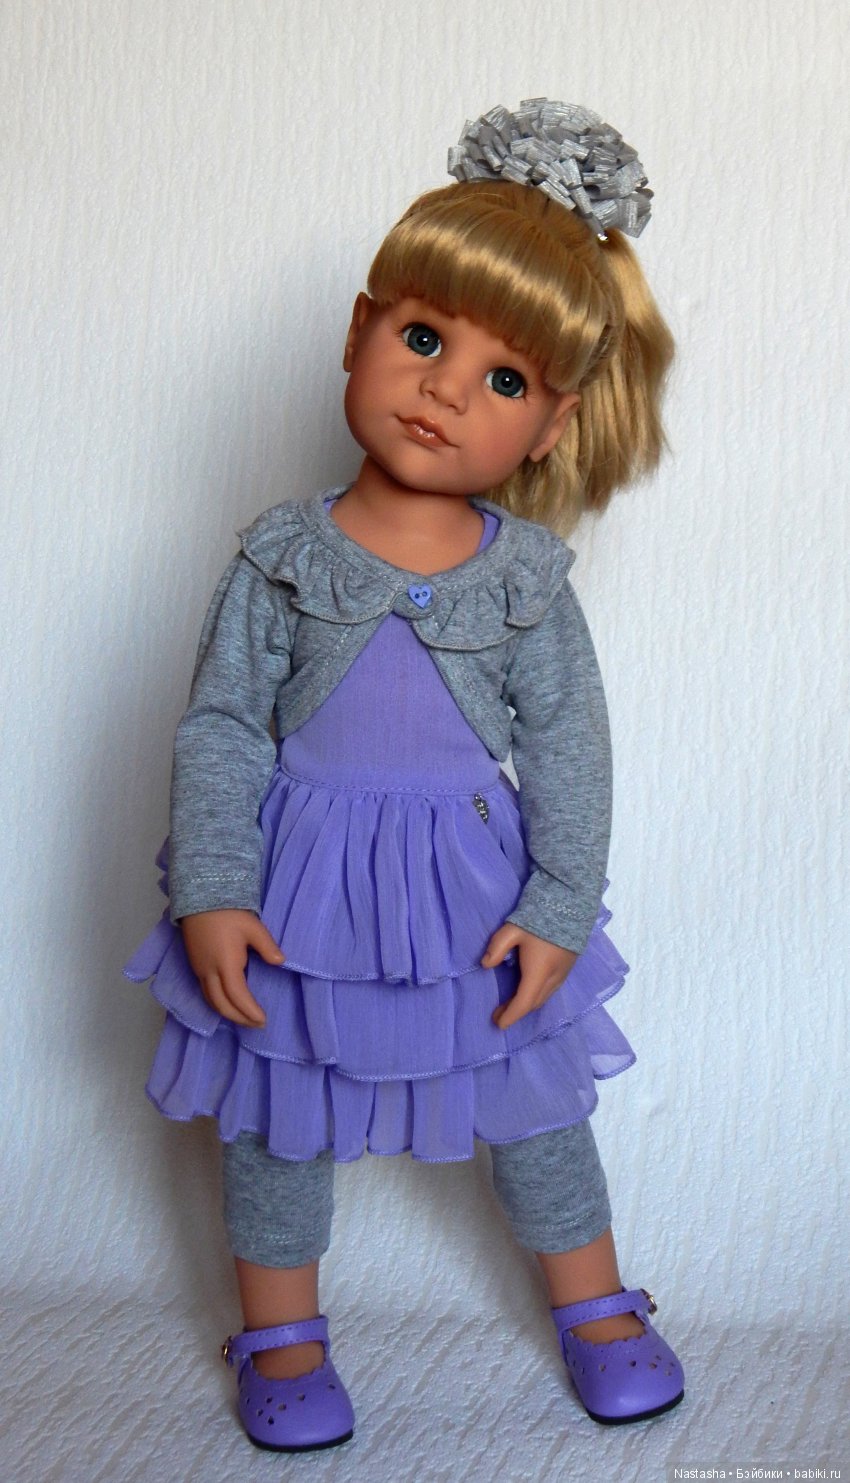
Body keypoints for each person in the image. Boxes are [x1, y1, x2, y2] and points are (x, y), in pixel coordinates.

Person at [125, 100, 684, 1453]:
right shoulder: (282, 556)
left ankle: (594, 1304)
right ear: (358, 331)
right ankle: (280, 1333)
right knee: (276, 1113)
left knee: (532, 1105)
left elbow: (570, 748)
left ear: (552, 425)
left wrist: (559, 904)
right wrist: (212, 887)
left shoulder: (524, 581)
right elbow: (221, 727)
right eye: (424, 339)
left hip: (466, 894)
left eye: (505, 380)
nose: (444, 390)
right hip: (297, 891)